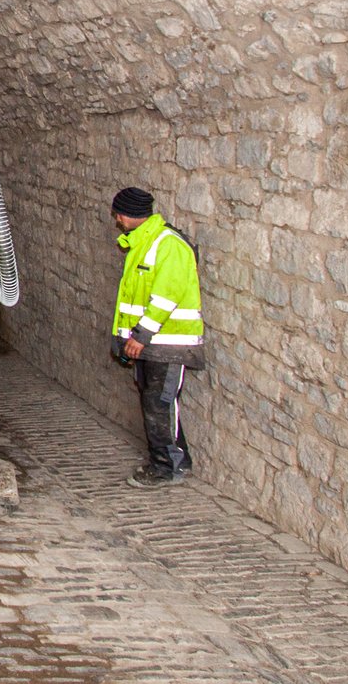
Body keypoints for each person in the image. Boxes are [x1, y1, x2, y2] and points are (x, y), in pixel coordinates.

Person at [109, 186, 205, 488]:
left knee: (159, 402)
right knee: (154, 400)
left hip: (168, 342)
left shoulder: (167, 244)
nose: (117, 221)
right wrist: (124, 338)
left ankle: (166, 466)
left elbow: (167, 296)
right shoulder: (142, 243)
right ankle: (177, 458)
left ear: (124, 215)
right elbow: (133, 297)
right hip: (151, 343)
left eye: (117, 215)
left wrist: (142, 335)